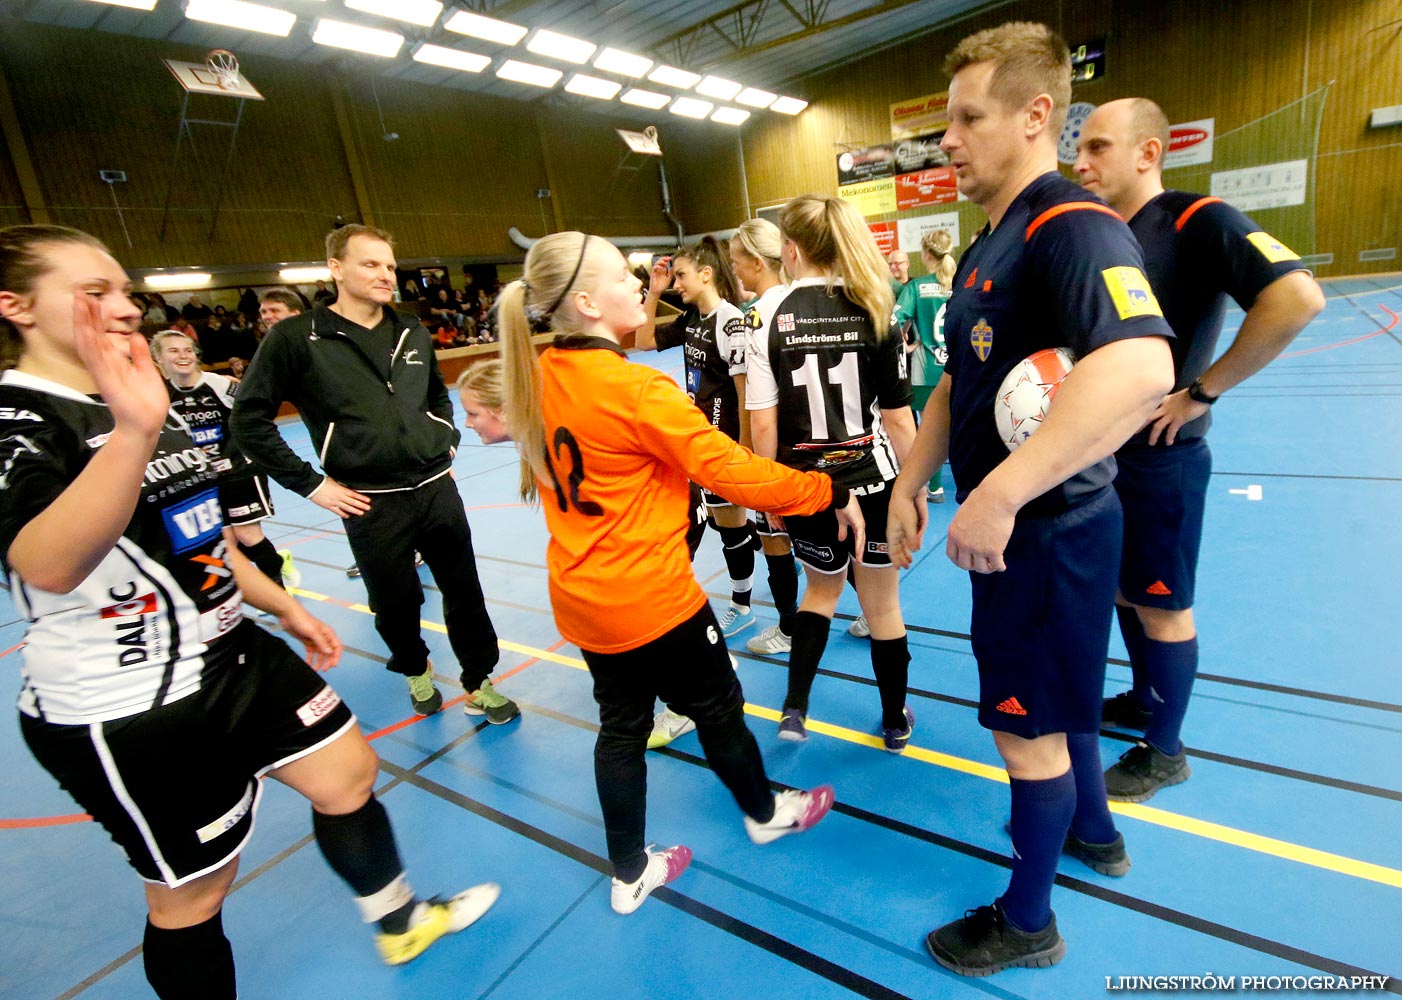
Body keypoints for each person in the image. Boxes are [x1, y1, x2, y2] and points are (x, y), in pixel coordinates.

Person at [0, 224, 500, 997]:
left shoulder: (137, 397)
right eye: (94, 293)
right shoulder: (22, 419)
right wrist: (134, 428)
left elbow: (201, 538)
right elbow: (47, 563)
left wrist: (279, 606)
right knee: (194, 891)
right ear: (16, 306)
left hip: (234, 651)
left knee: (348, 773)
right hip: (130, 700)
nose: (126, 308)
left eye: (125, 289)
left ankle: (400, 925)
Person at [884, 22, 1176, 976]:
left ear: (1036, 114)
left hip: (1048, 533)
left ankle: (1028, 921)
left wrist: (999, 494)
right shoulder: (990, 243)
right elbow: (953, 382)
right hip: (1031, 532)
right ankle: (1095, 831)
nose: (950, 141)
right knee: (1059, 699)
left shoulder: (1072, 227)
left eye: (969, 119)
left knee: (1026, 725)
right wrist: (915, 478)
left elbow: (1141, 364)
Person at [497, 231, 856, 914]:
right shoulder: (637, 388)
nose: (642, 282)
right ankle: (765, 811)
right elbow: (732, 471)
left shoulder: (538, 376)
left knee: (621, 726)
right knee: (719, 708)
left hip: (584, 599)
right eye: (624, 275)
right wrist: (824, 492)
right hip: (653, 599)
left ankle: (629, 869)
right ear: (584, 300)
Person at [1074, 98, 1324, 800]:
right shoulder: (1097, 235)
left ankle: (1165, 750)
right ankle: (1146, 698)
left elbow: (1297, 298)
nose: (1080, 163)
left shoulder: (1195, 220)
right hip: (1102, 458)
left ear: (1147, 153)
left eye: (1097, 148)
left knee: (1163, 604)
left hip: (1163, 460)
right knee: (1126, 591)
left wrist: (1203, 392)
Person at [231, 224, 515, 723]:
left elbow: (433, 394)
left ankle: (479, 680)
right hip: (369, 500)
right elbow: (249, 419)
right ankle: (415, 670)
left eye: (389, 265)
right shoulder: (298, 338)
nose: (385, 275)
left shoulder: (411, 329)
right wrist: (311, 484)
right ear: (336, 269)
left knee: (465, 592)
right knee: (395, 601)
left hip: (435, 488)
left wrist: (444, 436)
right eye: (370, 264)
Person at [745, 195, 918, 755]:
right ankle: (894, 720)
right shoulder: (874, 303)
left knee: (820, 592)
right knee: (883, 607)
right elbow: (897, 417)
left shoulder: (767, 314)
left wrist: (769, 491)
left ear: (789, 250)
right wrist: (912, 489)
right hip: (873, 479)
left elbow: (763, 427)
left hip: (805, 486)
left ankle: (795, 708)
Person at [636, 237, 759, 640]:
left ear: (706, 275)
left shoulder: (730, 320)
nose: (677, 284)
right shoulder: (691, 318)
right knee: (717, 521)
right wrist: (653, 293)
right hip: (693, 438)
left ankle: (742, 605)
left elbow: (742, 391)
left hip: (722, 441)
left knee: (729, 524)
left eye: (681, 276)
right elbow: (642, 341)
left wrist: (741, 447)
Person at [151, 329, 296, 595]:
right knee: (226, 543)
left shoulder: (220, 385)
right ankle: (261, 572)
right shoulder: (159, 395)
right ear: (158, 359)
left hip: (239, 470)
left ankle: (279, 590)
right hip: (204, 478)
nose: (183, 355)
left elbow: (259, 411)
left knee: (247, 535)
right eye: (173, 350)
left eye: (187, 350)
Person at [729, 219, 804, 658]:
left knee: (774, 536)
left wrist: (764, 476)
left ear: (758, 262)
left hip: (781, 448)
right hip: (824, 444)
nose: (735, 271)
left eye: (738, 262)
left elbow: (760, 411)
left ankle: (790, 627)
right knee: (830, 534)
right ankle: (871, 609)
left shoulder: (754, 317)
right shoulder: (807, 300)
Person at [893, 228, 958, 504]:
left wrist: (906, 347)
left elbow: (894, 321)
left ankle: (933, 487)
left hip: (925, 371)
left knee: (926, 431)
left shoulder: (916, 287)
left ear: (926, 255)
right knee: (957, 425)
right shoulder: (964, 281)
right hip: (958, 369)